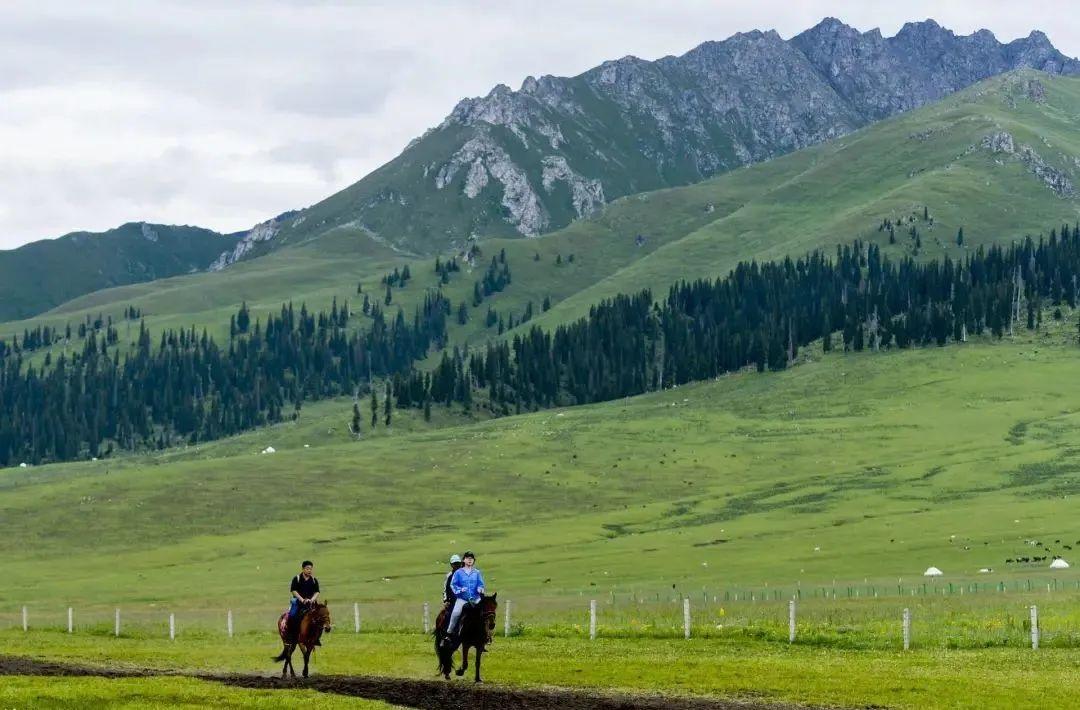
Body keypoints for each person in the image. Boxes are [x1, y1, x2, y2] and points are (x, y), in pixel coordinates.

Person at [441, 550, 485, 645]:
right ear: (451, 565)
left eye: (457, 563)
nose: (456, 566)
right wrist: (446, 600)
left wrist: (480, 591)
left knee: (483, 612)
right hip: (456, 599)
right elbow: (448, 588)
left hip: (474, 598)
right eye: (454, 564)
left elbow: (480, 584)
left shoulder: (475, 572)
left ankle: (484, 636)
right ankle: (448, 634)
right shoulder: (450, 576)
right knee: (454, 614)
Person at [288, 560, 320, 637]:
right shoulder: (297, 578)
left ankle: (316, 636)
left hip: (310, 602)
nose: (309, 570)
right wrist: (302, 600)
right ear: (303, 569)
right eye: (307, 568)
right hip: (299, 602)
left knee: (320, 616)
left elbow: (317, 592)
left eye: (311, 569)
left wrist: (311, 600)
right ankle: (292, 634)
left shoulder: (314, 580)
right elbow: (293, 590)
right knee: (292, 615)